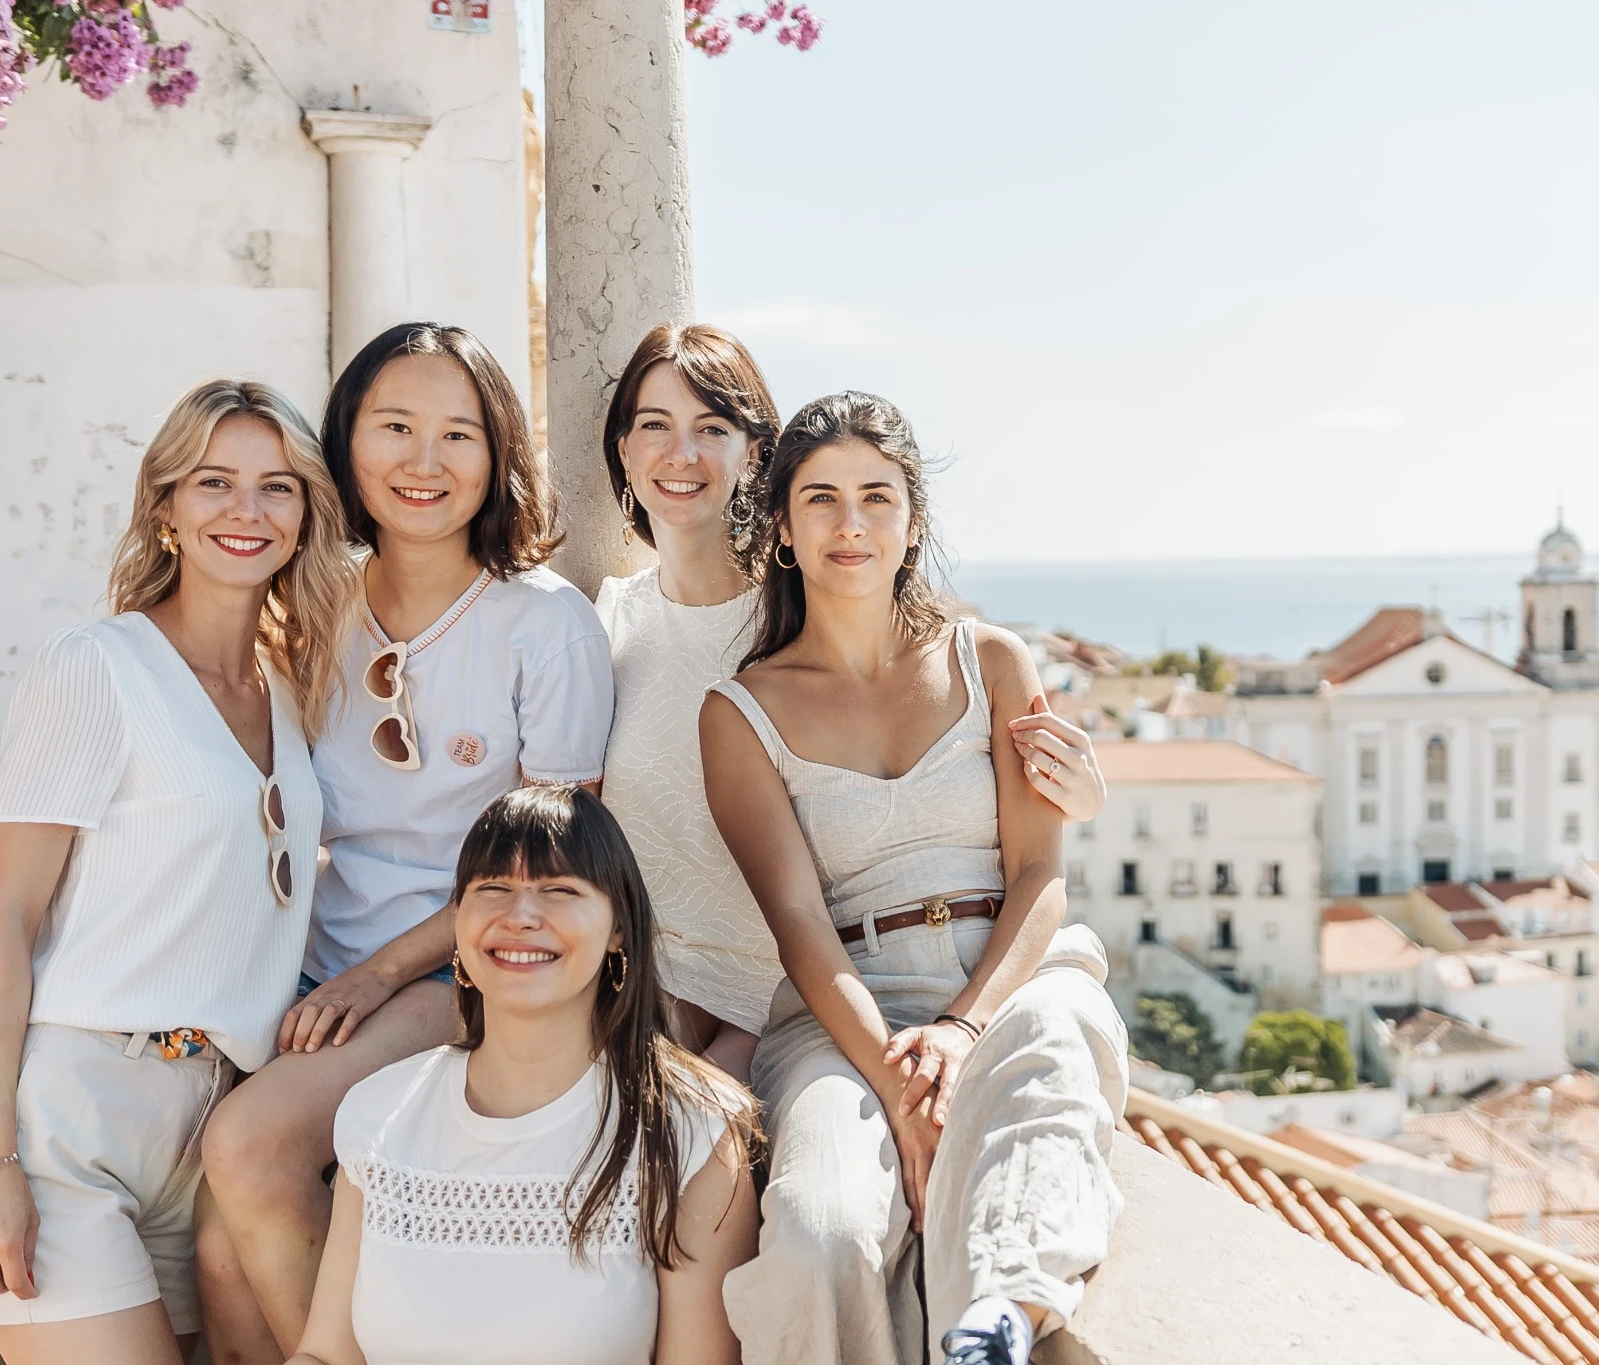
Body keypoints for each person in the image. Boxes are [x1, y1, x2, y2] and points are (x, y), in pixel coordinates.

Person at [198, 324, 615, 1363]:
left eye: (457, 435)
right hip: (319, 969)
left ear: (497, 454)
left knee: (249, 1149)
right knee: (214, 1247)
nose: (422, 463)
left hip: (469, 965)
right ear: (346, 442)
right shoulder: (306, 607)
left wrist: (378, 976)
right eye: (394, 427)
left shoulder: (542, 623)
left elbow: (546, 864)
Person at [700, 392, 1129, 1365]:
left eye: (875, 497)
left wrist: (964, 1028)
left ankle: (997, 1324)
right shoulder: (737, 713)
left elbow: (1039, 875)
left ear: (912, 521)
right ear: (779, 528)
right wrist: (899, 1083)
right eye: (818, 499)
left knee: (1052, 1060)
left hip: (1009, 974)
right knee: (821, 1229)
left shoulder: (993, 662)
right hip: (841, 1010)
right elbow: (797, 923)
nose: (849, 525)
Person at [598, 323, 1108, 1083]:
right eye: (655, 426)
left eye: (713, 426)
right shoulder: (605, 621)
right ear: (622, 450)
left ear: (756, 458)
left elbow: (921, 697)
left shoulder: (821, 604)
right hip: (670, 989)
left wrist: (1090, 794)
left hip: (789, 990)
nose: (683, 454)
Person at [0, 379, 353, 1364]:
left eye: (277, 487)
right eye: (213, 482)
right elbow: (3, 916)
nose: (246, 511)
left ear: (307, 511)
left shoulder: (292, 687)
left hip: (215, 1125)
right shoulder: (95, 666)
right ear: (166, 506)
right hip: (68, 1114)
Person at [283, 785, 758, 1365]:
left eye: (559, 891)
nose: (521, 916)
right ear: (458, 922)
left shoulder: (692, 1131)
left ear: (618, 930)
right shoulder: (378, 1112)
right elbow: (327, 1354)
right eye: (494, 889)